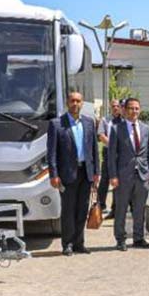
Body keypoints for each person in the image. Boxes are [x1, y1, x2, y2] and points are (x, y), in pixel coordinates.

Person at [46, 91, 99, 256]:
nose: (75, 104)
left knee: (82, 210)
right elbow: (51, 153)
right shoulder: (56, 124)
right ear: (67, 103)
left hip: (86, 173)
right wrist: (53, 175)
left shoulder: (89, 122)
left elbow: (94, 150)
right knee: (68, 210)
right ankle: (67, 244)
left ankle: (79, 243)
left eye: (78, 101)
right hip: (67, 174)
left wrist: (96, 172)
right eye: (72, 101)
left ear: (82, 103)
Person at [108, 97, 149, 250]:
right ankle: (120, 239)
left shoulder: (146, 128)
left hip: (142, 175)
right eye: (131, 108)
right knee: (121, 209)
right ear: (125, 110)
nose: (134, 111)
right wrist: (113, 176)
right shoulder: (116, 129)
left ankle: (139, 238)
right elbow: (111, 155)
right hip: (122, 176)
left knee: (140, 209)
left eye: (137, 108)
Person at [96, 99, 123, 218]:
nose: (115, 108)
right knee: (105, 179)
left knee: (117, 180)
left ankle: (115, 208)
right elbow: (101, 135)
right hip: (108, 152)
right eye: (113, 106)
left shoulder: (124, 121)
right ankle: (100, 205)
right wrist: (113, 145)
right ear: (110, 108)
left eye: (117, 106)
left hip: (121, 154)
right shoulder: (105, 120)